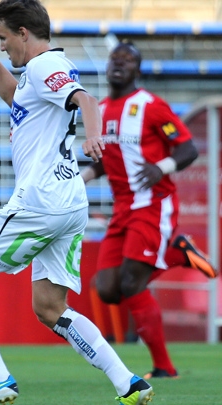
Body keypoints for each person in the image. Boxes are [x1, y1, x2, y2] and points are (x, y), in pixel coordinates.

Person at [0, 0, 153, 405]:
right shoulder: (34, 77)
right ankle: (129, 384)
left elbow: (87, 100)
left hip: (40, 201)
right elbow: (14, 97)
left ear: (23, 33)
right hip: (70, 203)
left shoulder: (42, 68)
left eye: (2, 39)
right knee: (51, 308)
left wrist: (94, 137)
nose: (2, 47)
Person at [82, 41, 218, 379]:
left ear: (137, 69)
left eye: (127, 59)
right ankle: (176, 253)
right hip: (122, 209)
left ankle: (163, 367)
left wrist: (162, 166)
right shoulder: (98, 110)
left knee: (132, 282)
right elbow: (103, 162)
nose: (119, 63)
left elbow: (188, 149)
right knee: (108, 288)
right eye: (115, 58)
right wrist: (79, 178)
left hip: (152, 204)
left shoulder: (151, 106)